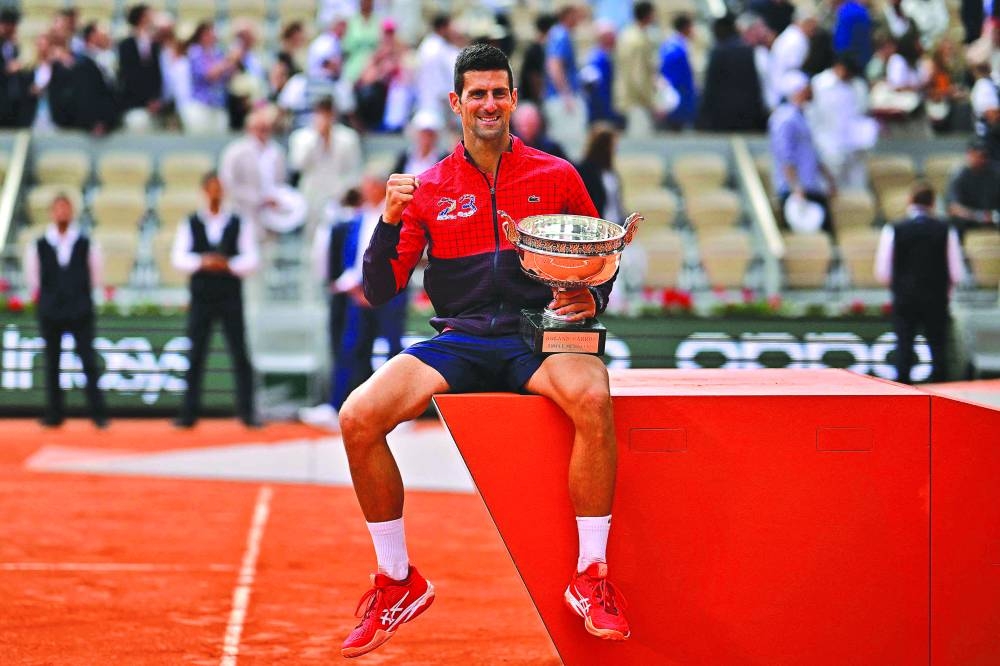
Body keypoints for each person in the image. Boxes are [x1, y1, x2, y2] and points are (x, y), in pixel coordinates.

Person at [337, 43, 629, 659]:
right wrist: (388, 221)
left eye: (499, 92)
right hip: (461, 337)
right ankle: (397, 581)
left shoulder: (557, 175)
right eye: (477, 94)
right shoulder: (430, 186)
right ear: (456, 102)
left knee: (594, 397)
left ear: (514, 99)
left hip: (537, 335)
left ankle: (591, 575)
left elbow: (601, 261)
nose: (489, 104)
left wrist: (588, 301)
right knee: (358, 416)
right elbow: (379, 288)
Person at [171, 171, 260, 428]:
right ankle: (188, 414)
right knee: (196, 353)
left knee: (239, 353)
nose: (215, 193)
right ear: (203, 191)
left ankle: (247, 412)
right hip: (201, 296)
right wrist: (203, 261)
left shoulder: (237, 222)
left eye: (219, 188)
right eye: (211, 188)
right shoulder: (191, 222)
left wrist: (228, 265)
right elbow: (178, 257)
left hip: (230, 295)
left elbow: (251, 258)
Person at [23, 193, 108, 429]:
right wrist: (46, 302)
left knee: (89, 362)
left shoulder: (86, 243)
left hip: (80, 310)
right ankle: (54, 414)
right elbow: (33, 280)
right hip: (51, 311)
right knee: (52, 363)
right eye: (58, 208)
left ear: (72, 212)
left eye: (66, 208)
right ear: (52, 213)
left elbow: (96, 276)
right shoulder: (38, 245)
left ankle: (98, 414)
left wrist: (82, 298)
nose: (62, 213)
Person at [875, 182, 964, 383]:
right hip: (936, 298)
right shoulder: (945, 230)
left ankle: (904, 401)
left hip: (905, 298)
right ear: (933, 203)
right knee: (938, 350)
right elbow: (956, 272)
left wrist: (899, 287)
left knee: (904, 348)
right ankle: (944, 400)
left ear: (910, 201)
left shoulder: (894, 229)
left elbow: (883, 271)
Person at [769, 70, 837, 235]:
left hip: (811, 186)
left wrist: (828, 178)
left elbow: (812, 153)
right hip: (796, 190)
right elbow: (785, 156)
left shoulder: (801, 116)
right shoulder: (784, 118)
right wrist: (795, 187)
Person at [288, 96, 362, 234]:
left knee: (338, 237)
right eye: (321, 112)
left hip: (339, 196)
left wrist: (348, 196)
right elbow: (298, 165)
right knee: (311, 237)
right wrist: (318, 138)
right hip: (311, 196)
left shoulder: (348, 137)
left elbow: (353, 168)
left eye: (328, 112)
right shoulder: (301, 137)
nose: (325, 116)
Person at [219, 104, 287, 233]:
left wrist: (276, 199)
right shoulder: (235, 152)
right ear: (249, 128)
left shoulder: (277, 152)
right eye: (259, 128)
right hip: (244, 214)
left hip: (272, 217)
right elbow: (228, 184)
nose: (262, 133)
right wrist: (259, 198)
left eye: (266, 129)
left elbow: (281, 183)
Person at [614, 1, 659, 137]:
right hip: (637, 102)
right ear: (648, 15)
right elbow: (637, 76)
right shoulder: (638, 40)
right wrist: (651, 101)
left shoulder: (626, 34)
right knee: (640, 145)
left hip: (628, 98)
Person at [117, 3, 162, 132]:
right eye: (150, 14)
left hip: (154, 106)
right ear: (142, 18)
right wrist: (146, 100)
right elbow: (129, 75)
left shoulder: (155, 45)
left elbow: (157, 74)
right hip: (134, 104)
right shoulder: (126, 45)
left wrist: (155, 98)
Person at [946, 138, 1000, 239]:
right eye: (977, 155)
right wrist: (979, 216)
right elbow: (954, 207)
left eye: (984, 156)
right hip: (970, 219)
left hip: (994, 217)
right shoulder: (959, 175)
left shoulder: (995, 174)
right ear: (969, 154)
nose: (981, 159)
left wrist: (993, 215)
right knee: (956, 222)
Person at [74, 22, 121, 136]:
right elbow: (86, 94)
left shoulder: (110, 57)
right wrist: (96, 121)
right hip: (94, 124)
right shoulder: (82, 62)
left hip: (112, 120)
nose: (108, 37)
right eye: (104, 34)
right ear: (92, 37)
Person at [659, 12, 698, 130]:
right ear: (686, 27)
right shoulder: (675, 47)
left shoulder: (676, 44)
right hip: (677, 97)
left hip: (680, 95)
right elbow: (672, 76)